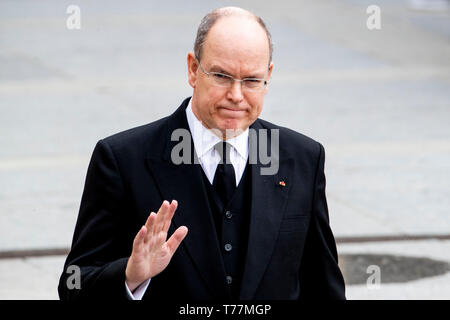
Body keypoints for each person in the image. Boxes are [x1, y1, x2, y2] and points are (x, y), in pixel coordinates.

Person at [58, 6, 346, 300]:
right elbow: (74, 286)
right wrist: (131, 276)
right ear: (193, 70)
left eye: (251, 80)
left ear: (268, 76)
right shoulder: (121, 160)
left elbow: (324, 287)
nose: (236, 95)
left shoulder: (303, 159)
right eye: (221, 76)